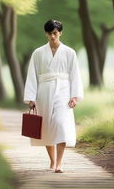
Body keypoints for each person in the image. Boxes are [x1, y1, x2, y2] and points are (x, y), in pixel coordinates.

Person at [23, 19, 84, 173]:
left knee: (61, 124)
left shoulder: (70, 52)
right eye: (49, 33)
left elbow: (75, 75)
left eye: (55, 33)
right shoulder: (38, 53)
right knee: (47, 127)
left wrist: (74, 96)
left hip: (63, 90)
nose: (52, 36)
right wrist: (31, 97)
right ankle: (52, 160)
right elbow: (32, 75)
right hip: (44, 92)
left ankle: (59, 163)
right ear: (46, 34)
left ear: (60, 33)